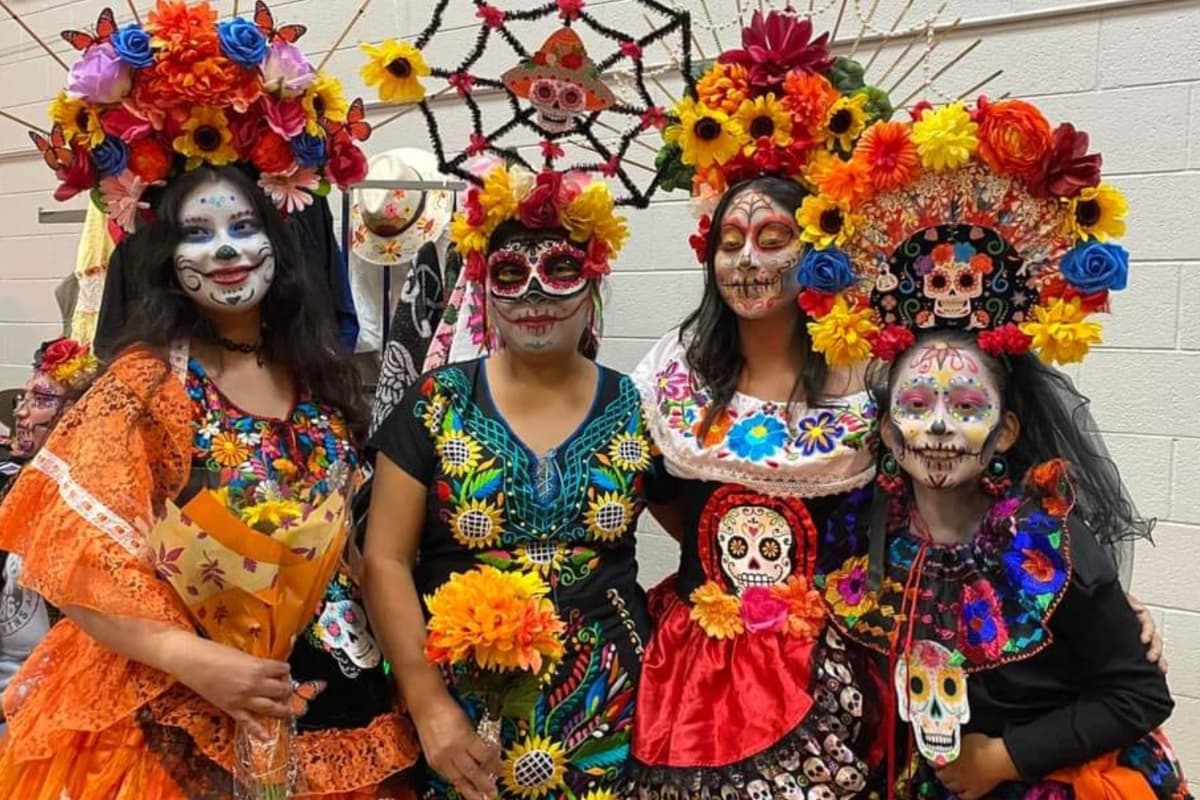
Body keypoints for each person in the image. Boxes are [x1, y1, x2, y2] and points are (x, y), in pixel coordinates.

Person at [0, 4, 415, 794]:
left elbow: (347, 550)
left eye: (243, 228)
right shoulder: (145, 386)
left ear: (279, 244)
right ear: (165, 257)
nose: (226, 251)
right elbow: (73, 563)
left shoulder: (319, 381)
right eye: (199, 234)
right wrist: (200, 663)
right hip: (167, 707)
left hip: (323, 694)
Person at [809, 96, 1190, 798]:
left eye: (967, 406)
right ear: (890, 433)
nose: (942, 427)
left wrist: (1002, 760)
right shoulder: (866, 533)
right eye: (918, 407)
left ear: (1007, 430)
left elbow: (1139, 695)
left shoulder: (1052, 544)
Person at [628, 11, 899, 795]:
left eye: (774, 237)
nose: (747, 260)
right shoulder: (673, 376)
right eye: (730, 240)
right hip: (696, 672)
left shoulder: (868, 379)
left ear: (817, 247)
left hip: (838, 664)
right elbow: (662, 499)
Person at [363, 163, 655, 800]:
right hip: (459, 710)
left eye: (559, 271)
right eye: (509, 274)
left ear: (594, 280)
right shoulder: (436, 401)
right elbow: (383, 558)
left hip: (610, 703)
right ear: (484, 287)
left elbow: (709, 533)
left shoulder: (639, 406)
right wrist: (427, 701)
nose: (533, 295)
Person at [0, 337, 100, 736]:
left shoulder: (97, 505)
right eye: (20, 399)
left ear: (75, 417)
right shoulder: (8, 484)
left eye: (39, 400)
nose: (21, 413)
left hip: (59, 714)